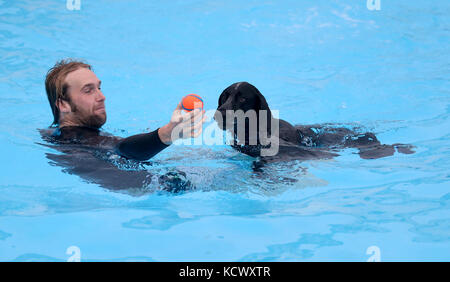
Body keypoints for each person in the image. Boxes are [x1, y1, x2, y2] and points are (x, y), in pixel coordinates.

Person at [40, 59, 205, 193]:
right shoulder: (74, 141)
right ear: (63, 105)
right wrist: (166, 135)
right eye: (88, 91)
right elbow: (122, 148)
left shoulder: (54, 136)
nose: (102, 96)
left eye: (99, 87)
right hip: (161, 189)